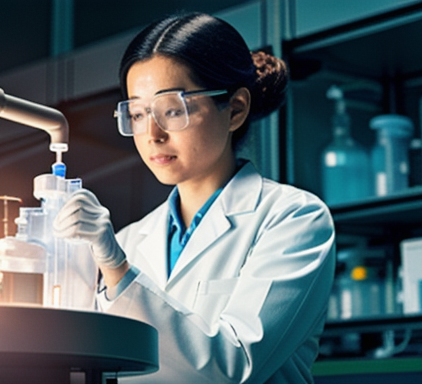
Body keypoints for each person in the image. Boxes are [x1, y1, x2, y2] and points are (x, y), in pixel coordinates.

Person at [55, 12, 335, 384]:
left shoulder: (294, 219)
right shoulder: (129, 240)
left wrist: (118, 272)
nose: (152, 133)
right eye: (138, 113)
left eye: (172, 110)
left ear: (235, 109)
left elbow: (234, 366)